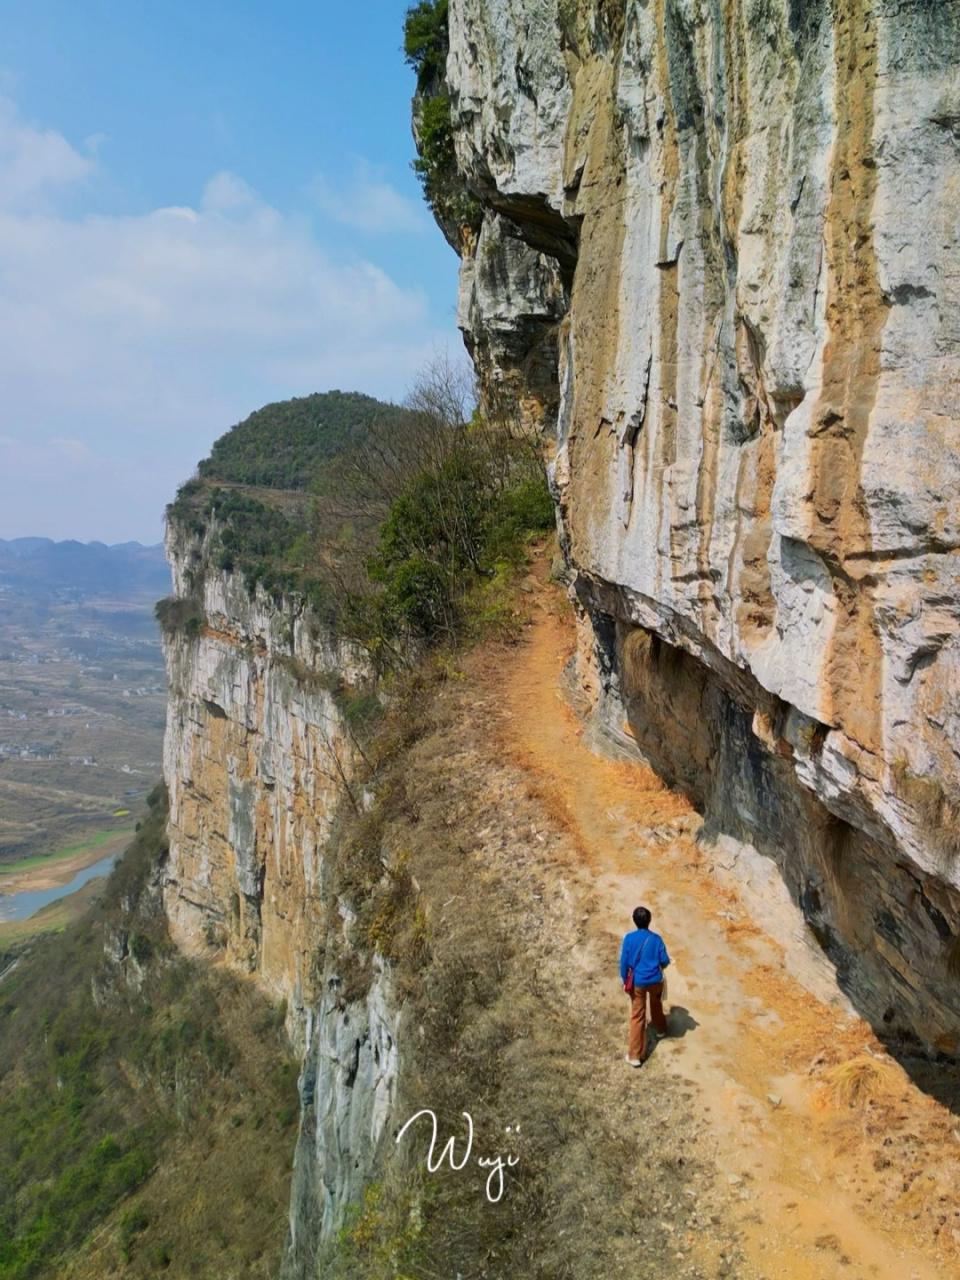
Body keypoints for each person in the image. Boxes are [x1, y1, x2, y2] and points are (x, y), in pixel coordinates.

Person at [620, 905, 670, 1066]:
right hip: (656, 980)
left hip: (638, 983)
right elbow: (664, 960)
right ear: (649, 920)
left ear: (634, 921)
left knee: (637, 1016)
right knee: (656, 1005)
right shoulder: (656, 939)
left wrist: (624, 979)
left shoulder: (629, 938)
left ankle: (635, 1056)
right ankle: (661, 1029)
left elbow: (624, 963)